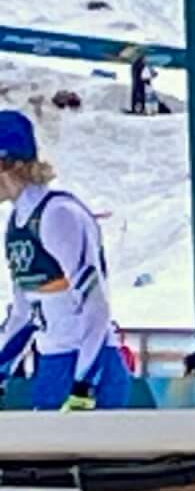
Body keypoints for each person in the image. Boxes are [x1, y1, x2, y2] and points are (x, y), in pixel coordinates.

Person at [0, 111, 131, 410]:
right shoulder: (17, 223)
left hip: (89, 366)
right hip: (52, 364)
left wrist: (84, 383)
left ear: (10, 164)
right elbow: (23, 312)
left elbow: (95, 303)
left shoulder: (58, 214)